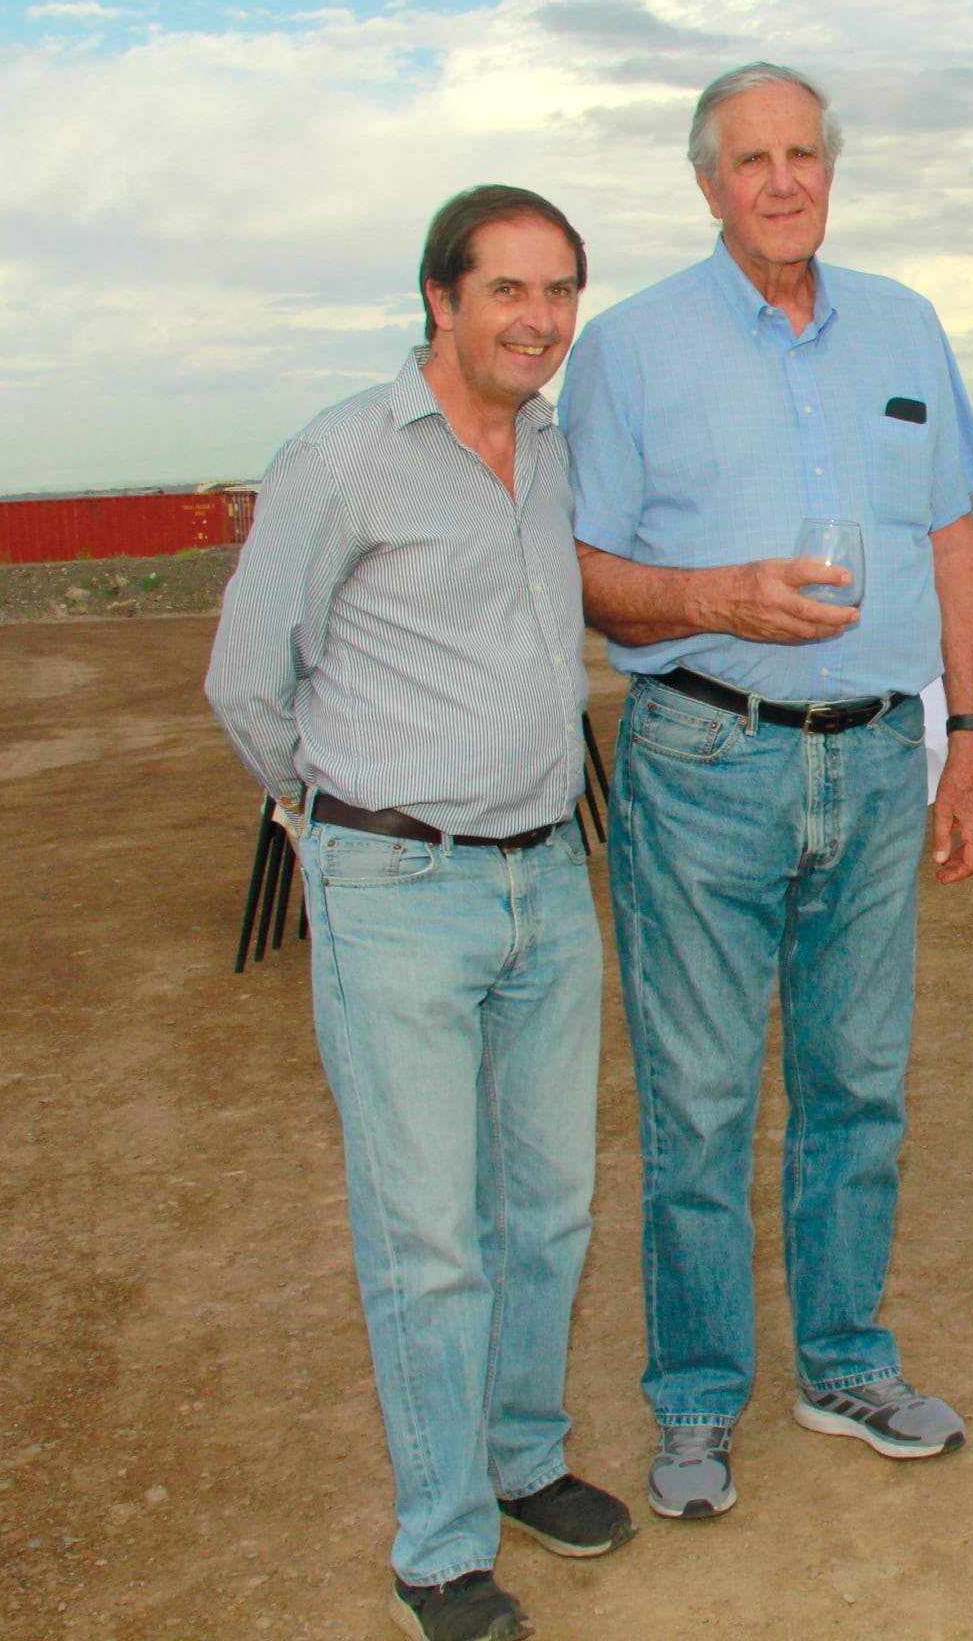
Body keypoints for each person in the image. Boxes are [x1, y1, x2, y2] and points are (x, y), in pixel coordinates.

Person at [561, 62, 973, 1522]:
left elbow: (947, 535)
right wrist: (720, 598)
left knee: (858, 1088)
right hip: (704, 759)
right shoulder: (625, 349)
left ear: (832, 167)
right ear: (706, 183)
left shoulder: (905, 325)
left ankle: (845, 1363)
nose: (783, 181)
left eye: (804, 152)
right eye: (751, 160)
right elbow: (589, 577)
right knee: (697, 1104)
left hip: (878, 760)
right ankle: (692, 1404)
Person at [206, 185, 633, 1641]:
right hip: (394, 888)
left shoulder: (558, 453)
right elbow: (250, 680)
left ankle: (521, 1463)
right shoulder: (340, 458)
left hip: (546, 881)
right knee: (429, 1233)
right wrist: (333, 819)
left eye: (560, 290)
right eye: (508, 290)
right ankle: (440, 1548)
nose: (539, 319)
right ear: (439, 300)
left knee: (554, 1205)